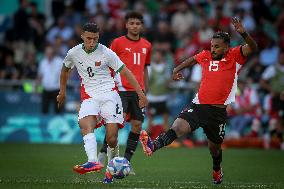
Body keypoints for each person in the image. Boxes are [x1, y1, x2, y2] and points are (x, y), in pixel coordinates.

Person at [139, 17, 257, 185]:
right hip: (199, 106)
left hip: (218, 113)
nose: (213, 49)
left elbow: (253, 47)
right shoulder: (206, 56)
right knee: (178, 127)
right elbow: (193, 59)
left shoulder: (235, 56)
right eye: (211, 46)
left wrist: (243, 33)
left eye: (217, 46)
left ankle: (217, 170)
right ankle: (153, 146)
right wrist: (176, 69)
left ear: (226, 47)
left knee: (214, 148)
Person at [56, 23, 147, 180]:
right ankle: (92, 161)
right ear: (82, 36)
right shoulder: (73, 53)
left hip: (109, 95)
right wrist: (62, 91)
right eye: (89, 39)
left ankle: (111, 170)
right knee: (85, 123)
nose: (92, 42)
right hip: (90, 97)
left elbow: (126, 72)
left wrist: (141, 94)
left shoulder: (106, 53)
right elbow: (65, 70)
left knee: (112, 138)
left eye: (95, 39)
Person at [98, 11, 152, 170]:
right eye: (132, 23)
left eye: (138, 23)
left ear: (141, 26)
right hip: (120, 90)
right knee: (114, 126)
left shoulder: (147, 45)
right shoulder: (117, 43)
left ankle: (125, 162)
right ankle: (102, 155)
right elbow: (107, 64)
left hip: (138, 92)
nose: (135, 26)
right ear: (126, 25)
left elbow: (145, 69)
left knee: (136, 125)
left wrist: (145, 91)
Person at [37, 46, 63, 114]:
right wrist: (37, 88)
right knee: (44, 110)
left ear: (53, 54)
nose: (48, 55)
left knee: (58, 110)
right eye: (47, 53)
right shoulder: (43, 62)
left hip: (56, 89)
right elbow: (40, 76)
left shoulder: (59, 61)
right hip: (45, 89)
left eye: (50, 53)